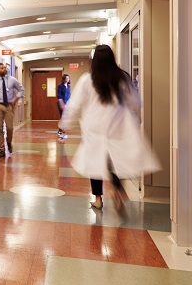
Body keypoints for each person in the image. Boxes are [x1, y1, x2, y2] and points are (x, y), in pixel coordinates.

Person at [58, 45, 160, 213]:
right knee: (115, 160)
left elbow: (74, 104)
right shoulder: (122, 78)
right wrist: (135, 119)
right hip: (117, 125)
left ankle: (98, 199)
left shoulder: (87, 80)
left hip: (94, 127)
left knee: (94, 163)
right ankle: (118, 188)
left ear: (94, 61)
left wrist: (64, 124)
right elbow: (135, 103)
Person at [0, 63, 24, 158]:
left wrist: (16, 98)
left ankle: (8, 142)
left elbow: (21, 89)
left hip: (9, 106)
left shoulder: (12, 80)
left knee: (9, 128)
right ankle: (2, 149)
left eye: (4, 67)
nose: (4, 69)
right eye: (2, 68)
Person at [56, 74, 71, 139]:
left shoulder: (68, 86)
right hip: (61, 104)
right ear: (64, 79)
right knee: (63, 118)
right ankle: (63, 133)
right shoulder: (60, 86)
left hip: (67, 104)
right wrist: (62, 104)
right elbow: (59, 95)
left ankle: (59, 131)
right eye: (67, 78)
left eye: (68, 78)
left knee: (64, 118)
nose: (68, 79)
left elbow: (69, 95)